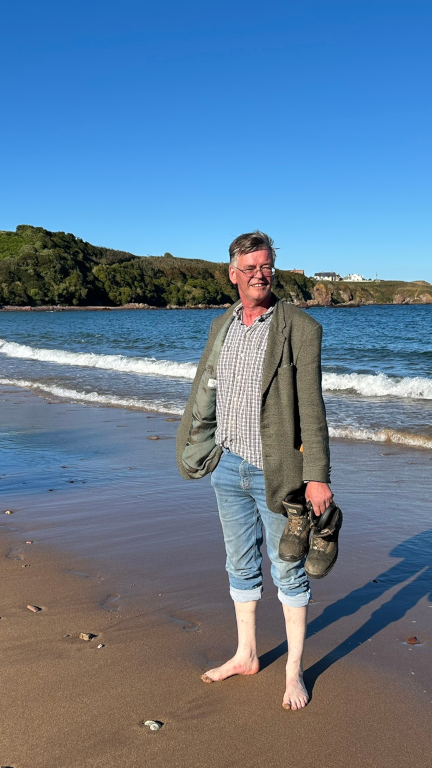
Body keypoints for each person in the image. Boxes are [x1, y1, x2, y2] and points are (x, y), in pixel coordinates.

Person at [176, 230, 333, 710]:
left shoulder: (300, 329)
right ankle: (246, 654)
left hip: (277, 473)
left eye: (266, 266)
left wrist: (318, 475)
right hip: (228, 465)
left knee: (289, 568)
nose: (259, 275)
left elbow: (312, 405)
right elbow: (206, 389)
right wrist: (197, 446)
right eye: (250, 268)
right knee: (240, 564)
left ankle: (294, 671)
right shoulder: (221, 325)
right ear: (232, 274)